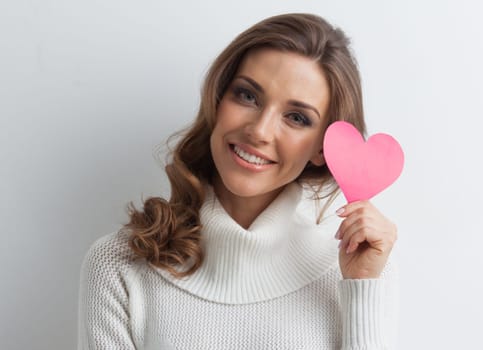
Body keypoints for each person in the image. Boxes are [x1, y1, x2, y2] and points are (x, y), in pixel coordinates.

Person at [78, 13, 399, 350]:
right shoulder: (119, 266)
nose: (259, 131)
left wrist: (362, 286)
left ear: (323, 147)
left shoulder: (360, 271)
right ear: (218, 100)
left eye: (296, 118)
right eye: (247, 96)